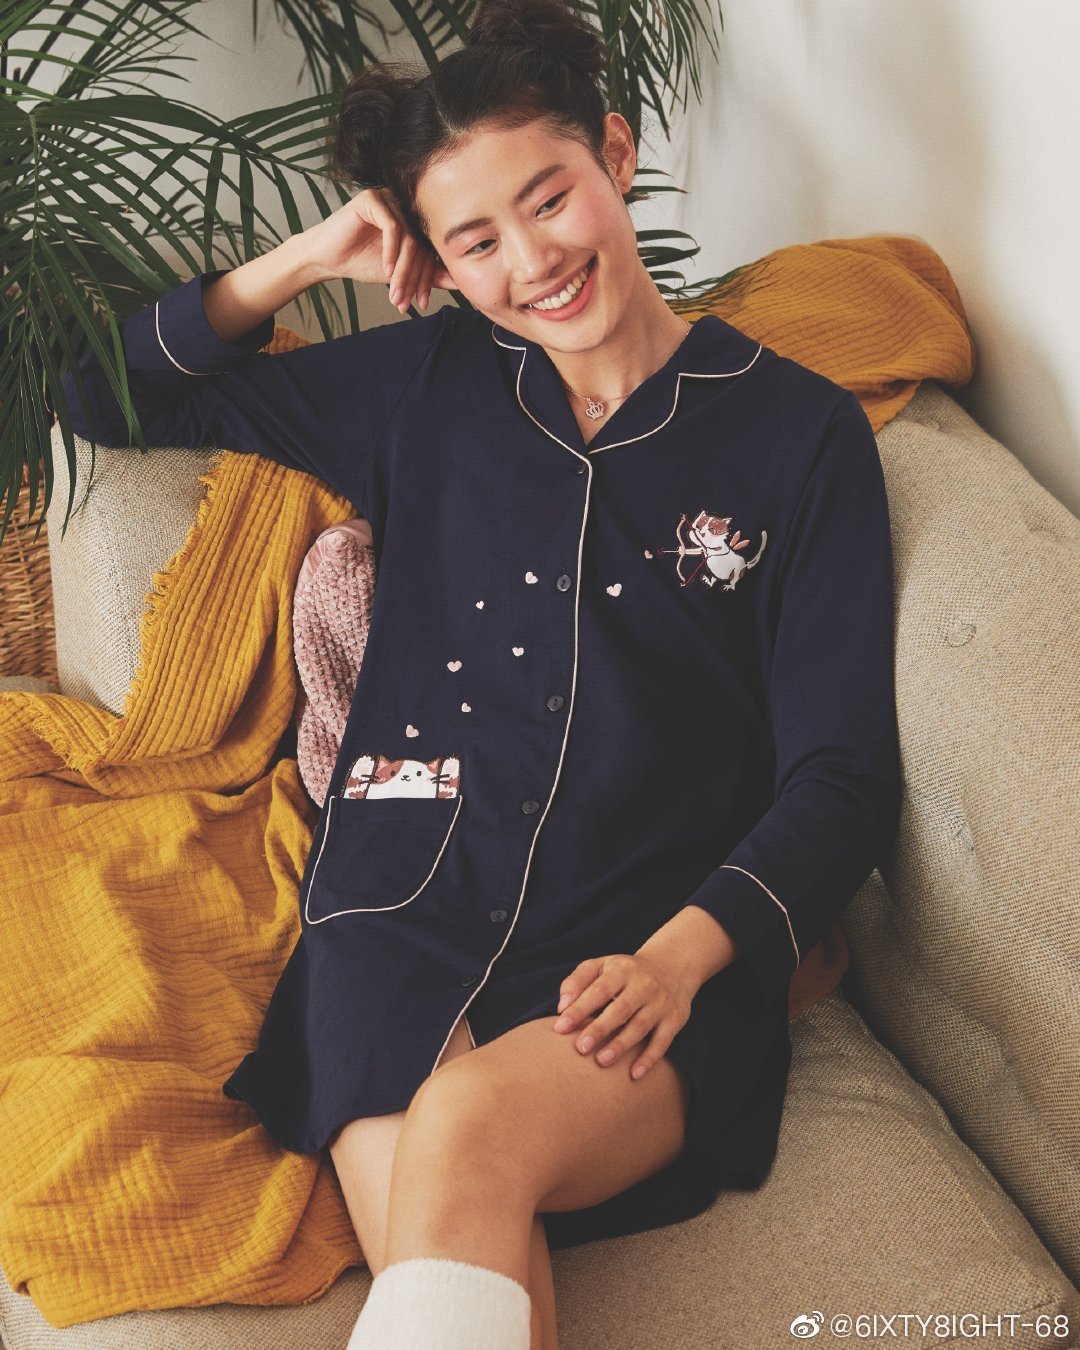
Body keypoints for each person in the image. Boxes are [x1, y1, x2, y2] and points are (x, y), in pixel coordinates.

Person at [60, 0, 902, 1345]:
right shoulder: (423, 384)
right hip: (396, 907)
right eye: (476, 240)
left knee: (462, 1139)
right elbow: (100, 398)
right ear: (438, 265)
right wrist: (312, 255)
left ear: (615, 154)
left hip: (643, 935)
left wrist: (684, 960)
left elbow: (844, 776)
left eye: (549, 197)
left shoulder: (798, 437)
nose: (534, 259)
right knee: (448, 1228)